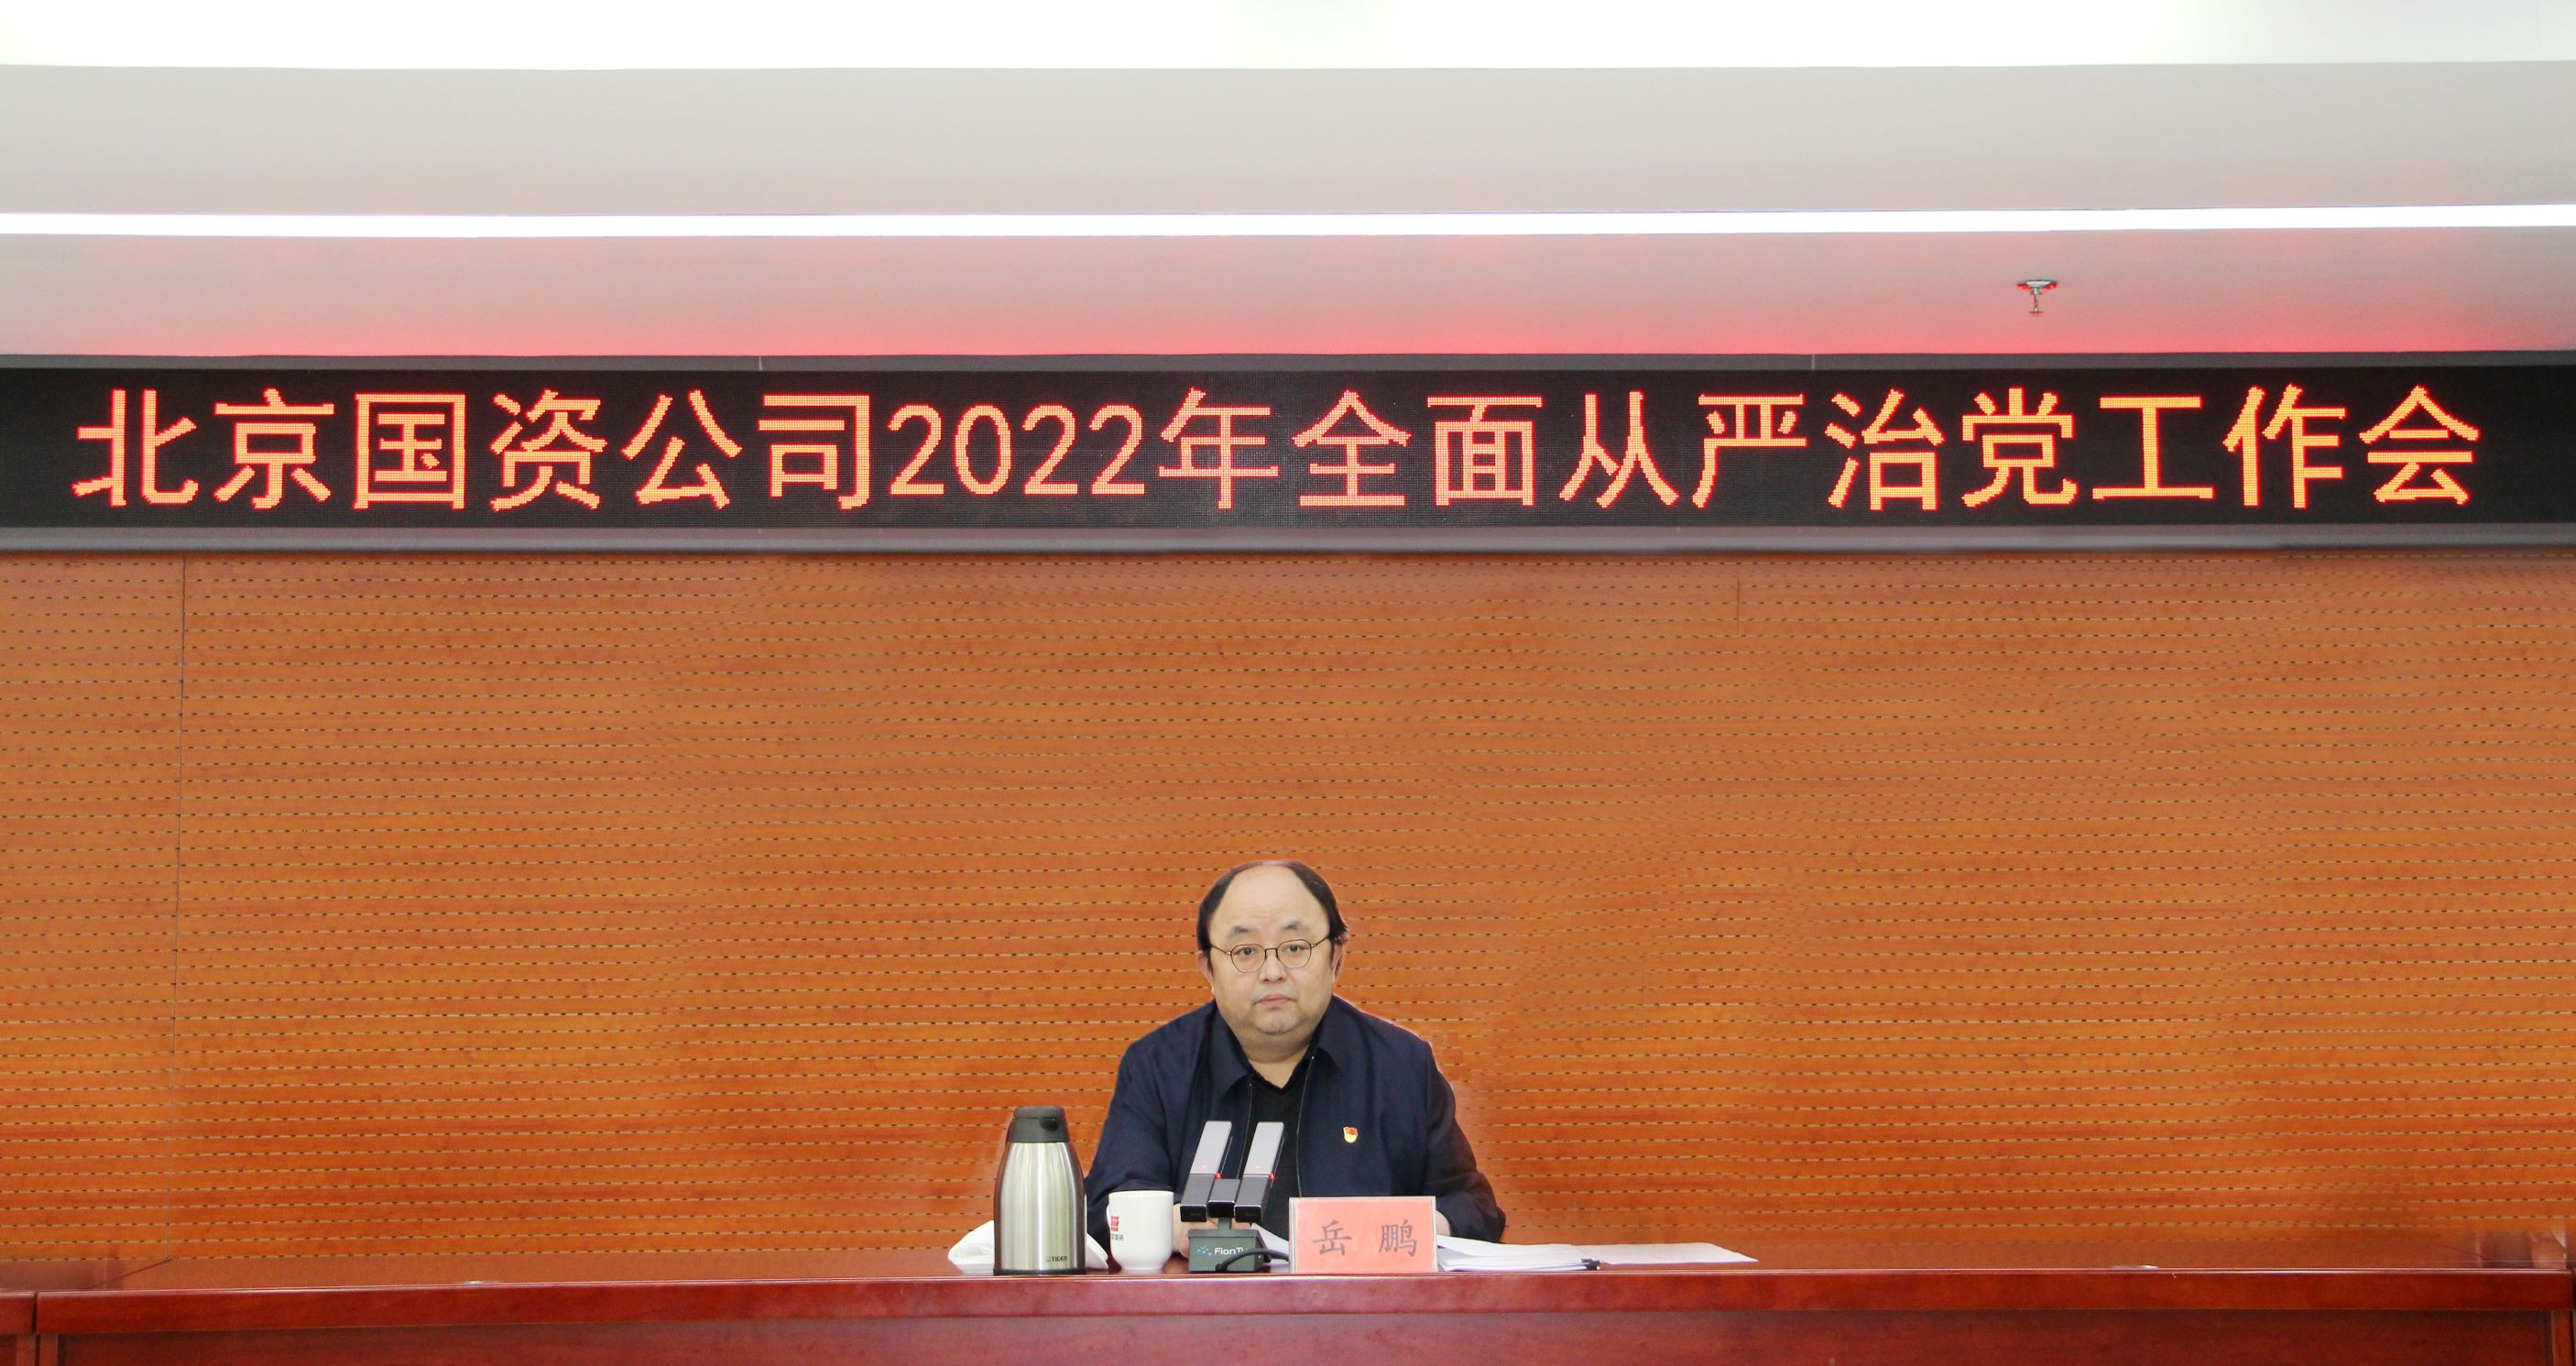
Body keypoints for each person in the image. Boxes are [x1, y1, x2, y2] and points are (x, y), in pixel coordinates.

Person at [1085, 859, 1505, 1257]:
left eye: (1294, 947)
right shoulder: (1158, 1067)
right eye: (1245, 951)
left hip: (1361, 1305)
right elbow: (1107, 1206)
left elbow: (1474, 1207)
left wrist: (1409, 1230)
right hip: (1209, 1306)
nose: (1272, 972)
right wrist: (1175, 1225)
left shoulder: (1400, 1065)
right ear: (1208, 969)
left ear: (1336, 957)